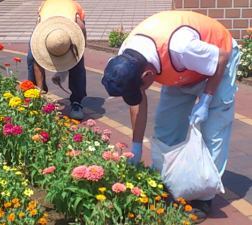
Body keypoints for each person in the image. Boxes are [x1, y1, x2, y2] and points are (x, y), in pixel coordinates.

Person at [102, 10, 240, 223]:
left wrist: (205, 100)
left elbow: (220, 58)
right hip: (184, 69)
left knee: (213, 130)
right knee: (166, 128)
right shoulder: (127, 57)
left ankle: (204, 197)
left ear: (147, 75)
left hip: (219, 56)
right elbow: (138, 100)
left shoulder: (180, 47)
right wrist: (136, 146)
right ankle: (170, 180)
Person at [28, 0, 87, 120]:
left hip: (72, 24)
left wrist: (82, 46)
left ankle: (77, 102)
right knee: (32, 57)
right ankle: (35, 95)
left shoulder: (76, 17)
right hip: (46, 25)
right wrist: (40, 91)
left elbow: (82, 28)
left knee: (77, 60)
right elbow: (37, 62)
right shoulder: (42, 17)